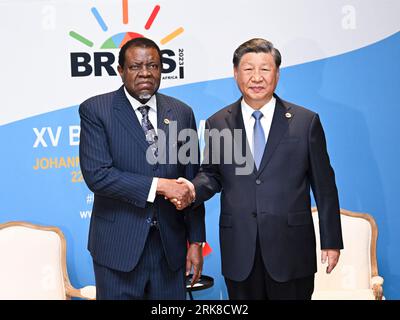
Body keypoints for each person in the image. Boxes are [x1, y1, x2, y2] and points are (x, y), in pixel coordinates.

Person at [175, 38, 343, 300]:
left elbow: (325, 187)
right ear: (235, 73)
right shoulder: (218, 122)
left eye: (264, 69)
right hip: (240, 250)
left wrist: (331, 240)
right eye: (248, 69)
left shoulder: (305, 122)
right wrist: (192, 188)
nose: (256, 77)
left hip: (291, 249)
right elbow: (212, 174)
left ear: (276, 73)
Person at [79, 37, 205, 300]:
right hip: (118, 249)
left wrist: (195, 242)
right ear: (121, 70)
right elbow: (98, 175)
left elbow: (190, 179)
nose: (146, 73)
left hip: (169, 252)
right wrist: (160, 185)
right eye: (136, 66)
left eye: (154, 66)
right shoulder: (97, 110)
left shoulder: (182, 113)